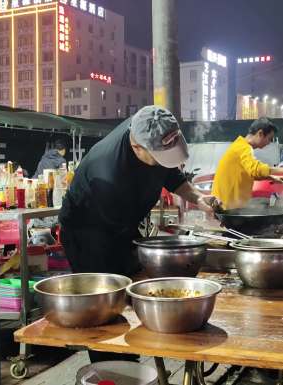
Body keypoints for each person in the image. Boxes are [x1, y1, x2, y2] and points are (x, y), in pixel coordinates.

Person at [59, 105, 218, 362]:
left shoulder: (150, 126)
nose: (164, 162)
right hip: (90, 235)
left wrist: (199, 198)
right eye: (159, 157)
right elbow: (123, 238)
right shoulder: (108, 175)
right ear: (137, 148)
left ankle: (131, 357)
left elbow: (171, 175)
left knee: (131, 294)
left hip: (120, 224)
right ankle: (112, 370)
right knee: (105, 308)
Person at [211, 117, 283, 209]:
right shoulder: (244, 148)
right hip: (226, 207)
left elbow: (250, 173)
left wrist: (271, 177)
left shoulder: (239, 145)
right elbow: (255, 169)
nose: (269, 143)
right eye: (269, 139)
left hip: (226, 205)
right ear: (260, 133)